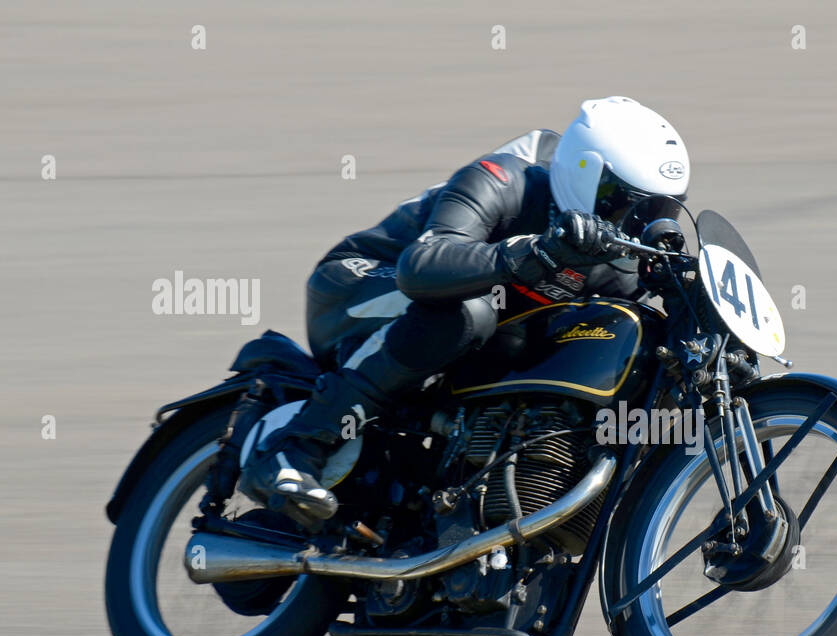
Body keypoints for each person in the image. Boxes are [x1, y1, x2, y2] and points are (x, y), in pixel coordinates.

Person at [238, 96, 690, 528]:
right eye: (629, 202)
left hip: (461, 337)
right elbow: (421, 267)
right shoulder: (507, 179)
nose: (640, 223)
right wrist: (532, 253)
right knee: (469, 311)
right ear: (585, 174)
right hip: (360, 287)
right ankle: (297, 447)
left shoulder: (620, 263)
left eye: (662, 209)